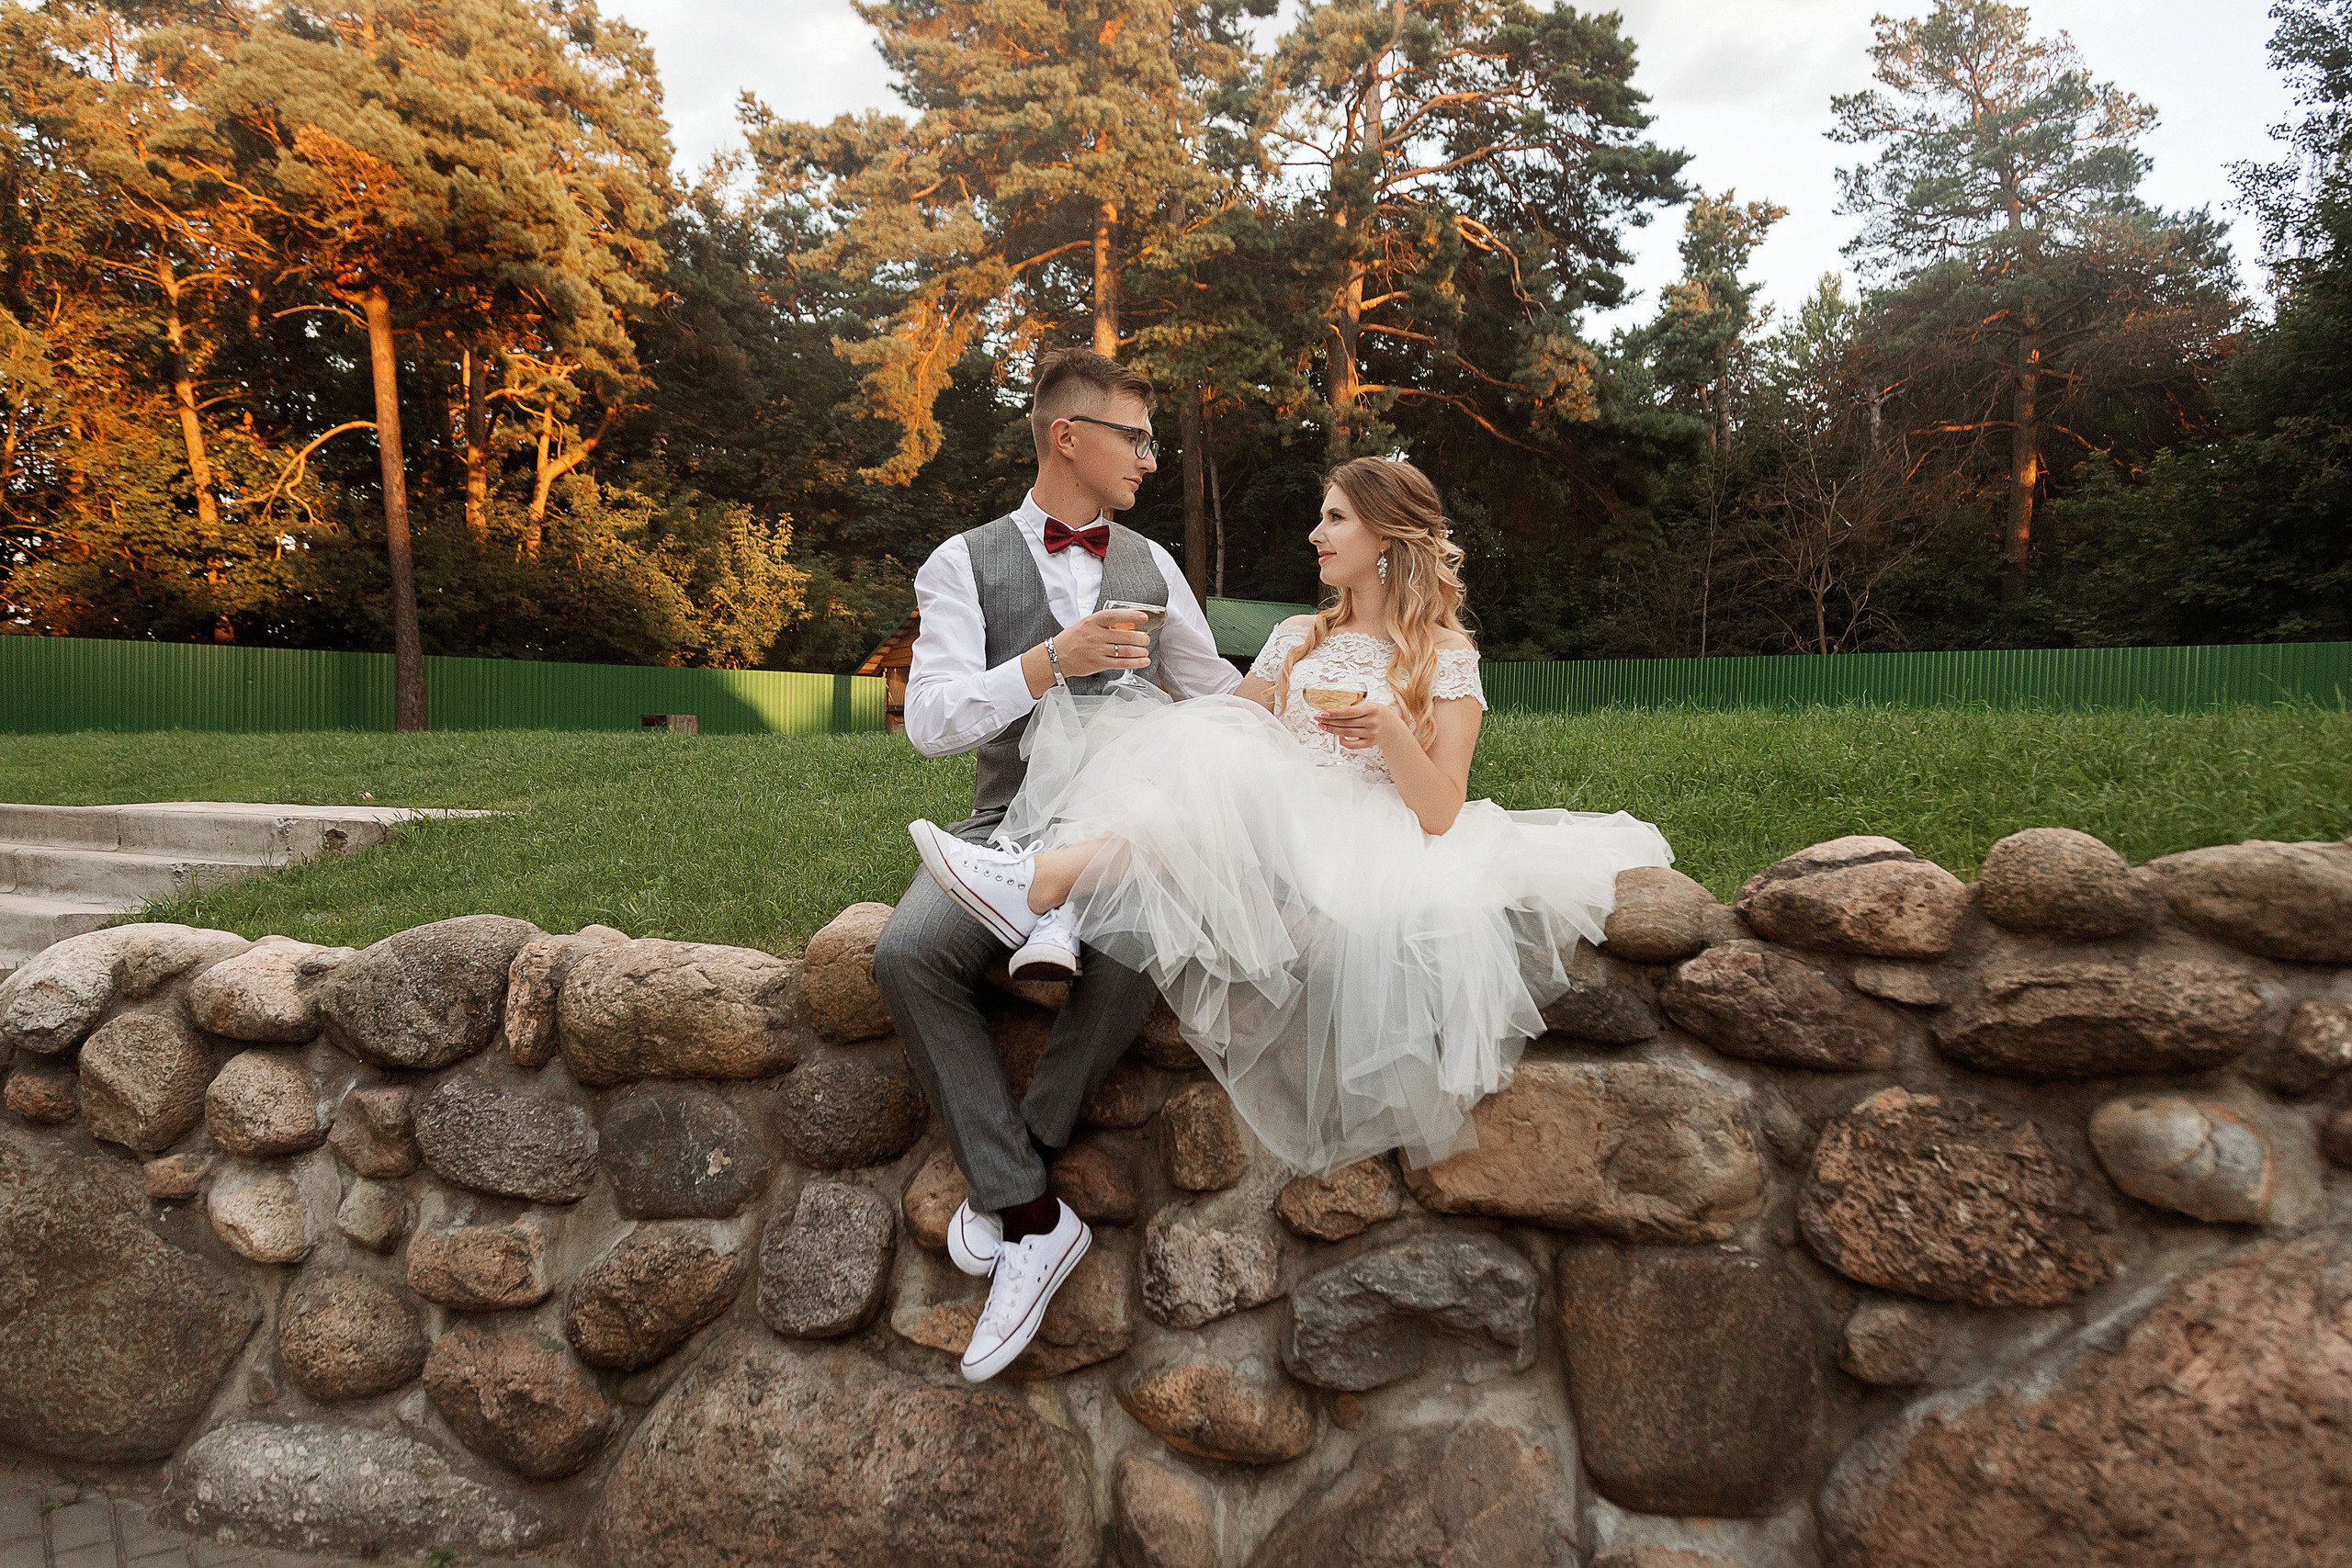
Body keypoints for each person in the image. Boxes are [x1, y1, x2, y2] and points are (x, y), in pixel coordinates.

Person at [910, 456, 1675, 1191]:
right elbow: (1221, 736)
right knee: (1200, 741)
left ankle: (1042, 884)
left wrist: (1390, 732)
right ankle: (1050, 887)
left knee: (1222, 764)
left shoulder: (1447, 654)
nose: (1316, 532)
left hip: (1363, 841)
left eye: (1336, 518)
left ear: (1387, 538)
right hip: (1276, 827)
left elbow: (1441, 809)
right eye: (1321, 516)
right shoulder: (1294, 638)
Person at [870, 348, 1241, 1384]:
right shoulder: (961, 561)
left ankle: (1010, 1176)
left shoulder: (1154, 565)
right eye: (1137, 437)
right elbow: (933, 724)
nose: (1152, 460)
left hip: (1127, 830)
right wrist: (1047, 662)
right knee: (904, 956)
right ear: (1068, 435)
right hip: (1004, 829)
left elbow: (1210, 690)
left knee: (1133, 952)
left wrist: (1311, 696)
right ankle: (1035, 1211)